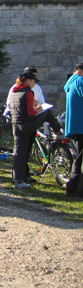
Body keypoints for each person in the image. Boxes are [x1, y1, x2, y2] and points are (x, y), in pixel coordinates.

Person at [10, 71, 62, 189]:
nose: (34, 83)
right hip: (26, 124)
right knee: (47, 112)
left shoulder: (14, 91)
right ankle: (57, 131)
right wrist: (39, 109)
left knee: (19, 152)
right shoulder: (28, 92)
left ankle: (17, 178)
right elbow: (30, 112)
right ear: (28, 81)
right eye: (34, 81)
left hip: (16, 124)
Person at [5, 66, 45, 181]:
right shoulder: (23, 90)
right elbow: (13, 105)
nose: (35, 81)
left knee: (23, 150)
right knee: (22, 150)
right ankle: (20, 176)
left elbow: (41, 102)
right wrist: (36, 108)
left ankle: (21, 175)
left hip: (21, 121)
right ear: (28, 80)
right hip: (25, 121)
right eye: (34, 78)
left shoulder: (33, 88)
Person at [64, 63, 83, 199]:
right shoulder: (80, 82)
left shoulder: (70, 82)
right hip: (81, 124)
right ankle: (77, 189)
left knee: (79, 158)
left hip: (75, 125)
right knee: (80, 159)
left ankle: (72, 188)